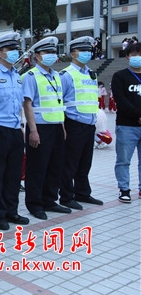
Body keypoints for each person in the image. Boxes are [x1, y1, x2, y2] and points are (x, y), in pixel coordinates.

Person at [0, 33, 29, 231]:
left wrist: (21, 126)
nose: (14, 52)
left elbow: (19, 104)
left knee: (14, 174)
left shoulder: (17, 76)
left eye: (15, 49)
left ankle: (12, 210)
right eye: (10, 49)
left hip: (15, 130)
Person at [22, 36, 70, 220]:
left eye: (53, 52)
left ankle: (49, 200)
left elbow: (58, 102)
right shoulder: (31, 76)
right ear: (37, 56)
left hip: (56, 126)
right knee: (37, 167)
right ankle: (35, 204)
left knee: (55, 166)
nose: (51, 55)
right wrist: (33, 130)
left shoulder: (56, 75)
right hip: (40, 128)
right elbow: (27, 105)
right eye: (46, 52)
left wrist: (62, 126)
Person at [58, 36, 104, 210]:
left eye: (88, 50)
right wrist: (63, 125)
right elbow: (59, 101)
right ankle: (66, 196)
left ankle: (82, 192)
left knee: (85, 162)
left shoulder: (91, 73)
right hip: (74, 123)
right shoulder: (66, 75)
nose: (87, 53)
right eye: (82, 50)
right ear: (73, 54)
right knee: (70, 163)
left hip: (89, 124)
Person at [111, 40, 141, 203]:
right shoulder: (120, 76)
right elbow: (121, 101)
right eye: (134, 54)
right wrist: (138, 115)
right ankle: (124, 189)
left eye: (140, 54)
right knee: (123, 160)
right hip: (126, 125)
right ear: (128, 57)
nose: (138, 57)